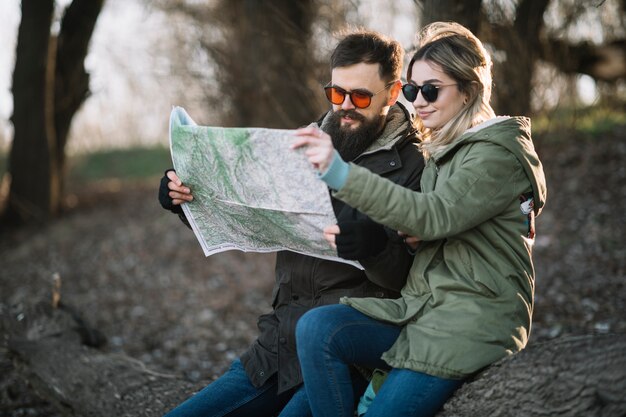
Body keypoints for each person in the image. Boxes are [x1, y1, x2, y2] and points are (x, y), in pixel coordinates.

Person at [159, 29, 425, 417]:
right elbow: (256, 218)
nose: (345, 107)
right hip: (278, 346)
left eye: (361, 96)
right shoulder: (304, 144)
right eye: (336, 94)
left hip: (348, 355)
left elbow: (412, 279)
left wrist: (375, 248)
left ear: (393, 91)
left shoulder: (414, 166)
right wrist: (188, 201)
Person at [292, 21, 547, 417]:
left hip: (468, 323)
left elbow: (435, 215)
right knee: (317, 328)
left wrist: (339, 173)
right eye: (412, 91)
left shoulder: (495, 154)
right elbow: (435, 222)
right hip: (423, 312)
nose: (419, 101)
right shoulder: (443, 153)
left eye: (431, 89)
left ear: (469, 90)